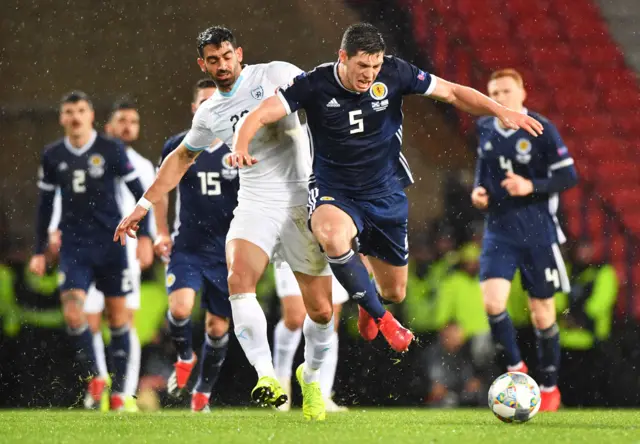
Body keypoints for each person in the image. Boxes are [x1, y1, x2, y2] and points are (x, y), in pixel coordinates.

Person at [231, 23, 543, 355]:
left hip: (385, 193)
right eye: (362, 66)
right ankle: (385, 320)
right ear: (343, 57)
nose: (369, 74)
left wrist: (500, 110)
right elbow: (263, 113)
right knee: (331, 235)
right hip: (334, 189)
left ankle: (373, 303)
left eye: (375, 66)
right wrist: (241, 145)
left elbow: (451, 92)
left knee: (395, 291)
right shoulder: (315, 84)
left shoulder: (395, 73)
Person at [115, 26, 334, 420]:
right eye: (212, 60)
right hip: (255, 203)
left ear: (239, 53)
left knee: (319, 312)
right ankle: (267, 377)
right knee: (239, 281)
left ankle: (311, 375)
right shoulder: (210, 112)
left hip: (300, 201)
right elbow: (180, 159)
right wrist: (143, 205)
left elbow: (322, 100)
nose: (222, 65)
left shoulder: (276, 74)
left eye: (227, 56)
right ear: (203, 64)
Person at [30, 91, 151, 410]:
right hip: (75, 248)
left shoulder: (110, 149)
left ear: (90, 115)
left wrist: (147, 236)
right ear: (62, 118)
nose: (74, 117)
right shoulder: (53, 154)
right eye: (68, 111)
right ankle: (96, 377)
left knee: (118, 320)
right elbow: (44, 205)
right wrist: (39, 250)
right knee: (73, 314)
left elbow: (140, 192)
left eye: (80, 110)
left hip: (111, 246)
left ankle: (121, 395)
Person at [471, 68, 578, 411]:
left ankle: (548, 387)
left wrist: (531, 186)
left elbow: (568, 175)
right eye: (493, 93)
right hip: (499, 229)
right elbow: (483, 167)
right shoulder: (485, 126)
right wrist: (478, 191)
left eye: (505, 91)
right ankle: (516, 370)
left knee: (542, 313)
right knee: (492, 303)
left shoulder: (542, 129)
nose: (499, 98)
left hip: (537, 233)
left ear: (522, 94)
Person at [153, 78, 238, 412]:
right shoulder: (178, 146)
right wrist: (160, 232)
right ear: (194, 109)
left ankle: (202, 392)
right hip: (187, 247)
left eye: (216, 101)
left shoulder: (237, 148)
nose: (210, 107)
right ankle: (184, 355)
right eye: (204, 101)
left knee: (217, 327)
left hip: (226, 252)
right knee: (180, 309)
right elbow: (160, 190)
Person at [273, 264, 349, 412]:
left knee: (329, 319)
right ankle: (281, 382)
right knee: (295, 318)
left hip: (331, 251)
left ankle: (323, 393)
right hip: (294, 247)